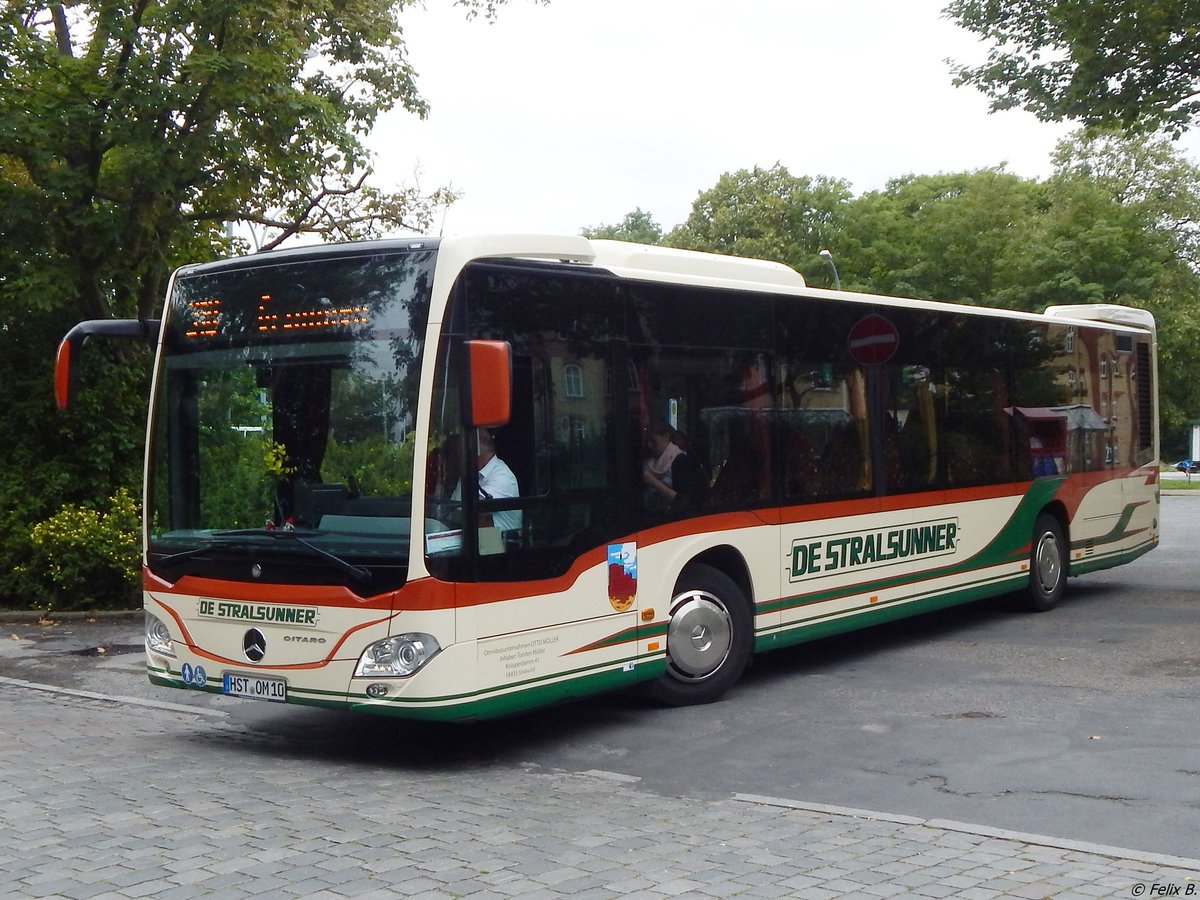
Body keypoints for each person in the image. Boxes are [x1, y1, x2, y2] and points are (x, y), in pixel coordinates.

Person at [448, 429, 521, 533]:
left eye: (461, 450)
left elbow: (475, 507)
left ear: (475, 450)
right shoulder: (467, 475)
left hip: (499, 546)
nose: (458, 456)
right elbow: (452, 509)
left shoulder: (503, 477)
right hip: (473, 540)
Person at [642, 423, 706, 513]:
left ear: (666, 437)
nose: (649, 445)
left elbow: (683, 500)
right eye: (647, 441)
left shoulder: (680, 461)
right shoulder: (648, 461)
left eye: (653, 441)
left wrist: (653, 482)